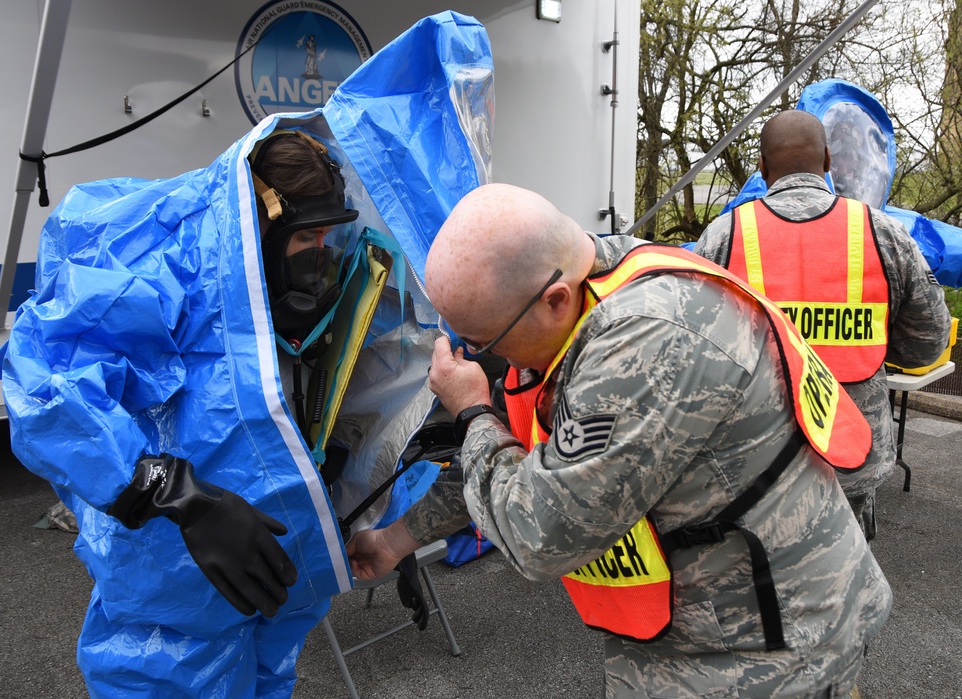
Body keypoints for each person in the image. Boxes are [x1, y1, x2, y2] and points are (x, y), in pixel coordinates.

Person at [348, 182, 895, 697]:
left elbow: (538, 533)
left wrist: (470, 410)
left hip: (765, 654)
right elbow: (520, 454)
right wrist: (397, 538)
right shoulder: (581, 286)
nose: (477, 358)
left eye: (480, 342)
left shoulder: (650, 342)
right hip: (706, 638)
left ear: (554, 299)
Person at [0, 126, 364, 697]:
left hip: (266, 564)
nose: (319, 253)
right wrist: (174, 493)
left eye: (327, 236)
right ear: (261, 221)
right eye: (305, 237)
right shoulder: (171, 263)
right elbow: (47, 387)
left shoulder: (263, 277)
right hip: (175, 578)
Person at [694, 110, 952, 541]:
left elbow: (693, 352)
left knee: (757, 591)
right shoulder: (883, 233)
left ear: (762, 168)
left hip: (750, 463)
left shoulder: (723, 237)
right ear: (828, 161)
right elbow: (927, 345)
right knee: (843, 594)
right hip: (849, 459)